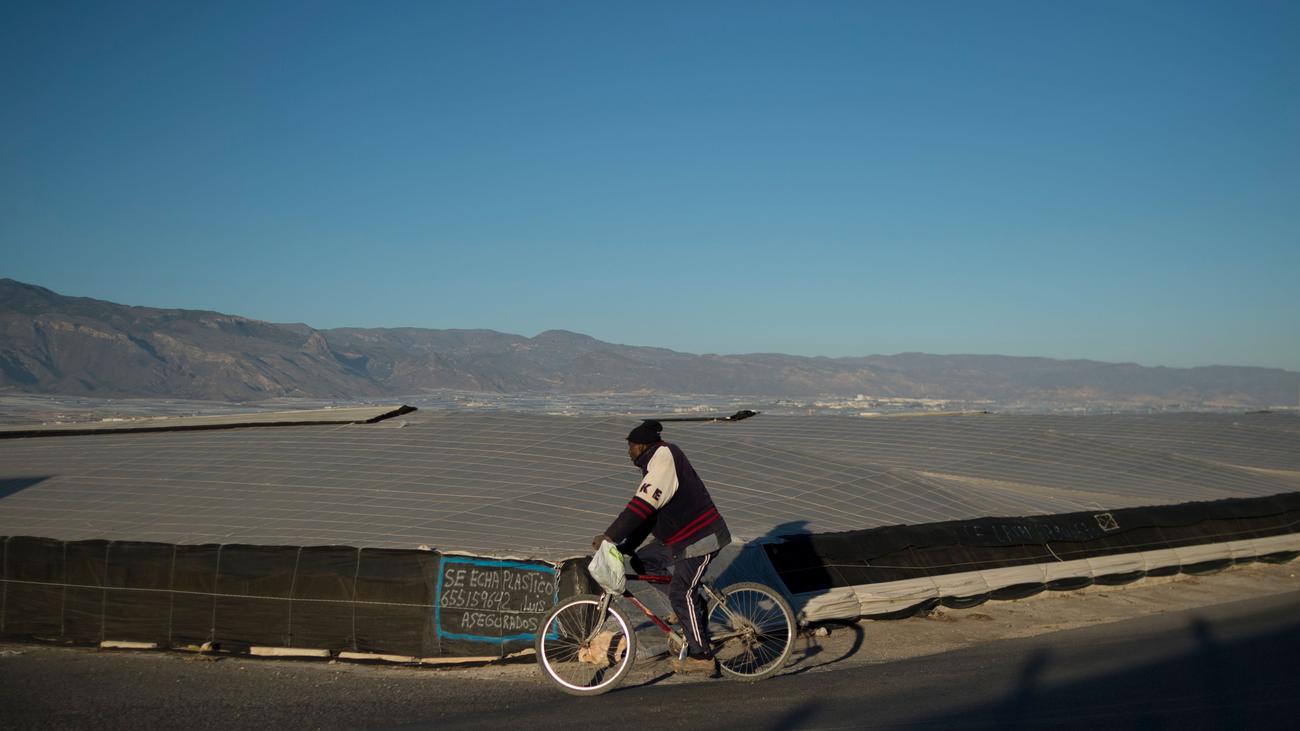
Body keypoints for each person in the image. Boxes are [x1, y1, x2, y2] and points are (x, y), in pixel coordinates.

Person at [591, 419, 731, 675]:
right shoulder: (655, 462)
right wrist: (626, 547)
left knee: (681, 592)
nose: (628, 452)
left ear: (641, 446)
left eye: (630, 447)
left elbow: (640, 507)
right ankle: (691, 608)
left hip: (701, 537)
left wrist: (609, 536)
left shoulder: (663, 459)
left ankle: (702, 657)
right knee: (643, 561)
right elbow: (649, 515)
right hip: (680, 538)